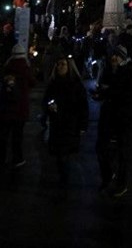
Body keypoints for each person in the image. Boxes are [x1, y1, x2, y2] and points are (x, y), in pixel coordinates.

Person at [94, 44, 132, 197]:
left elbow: (127, 94)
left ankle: (121, 182)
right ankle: (108, 176)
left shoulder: (129, 73)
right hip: (109, 116)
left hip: (123, 118)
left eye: (117, 56)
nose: (114, 58)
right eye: (113, 55)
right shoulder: (109, 70)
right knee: (102, 149)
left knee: (122, 153)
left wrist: (109, 91)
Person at [42, 55, 89, 184]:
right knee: (59, 156)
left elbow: (83, 106)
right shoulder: (53, 83)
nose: (60, 67)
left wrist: (83, 125)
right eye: (58, 64)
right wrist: (49, 107)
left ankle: (64, 182)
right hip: (57, 124)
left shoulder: (76, 85)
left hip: (70, 124)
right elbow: (46, 100)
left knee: (64, 155)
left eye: (63, 64)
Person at [0, 44, 34, 168]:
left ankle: (0, 158)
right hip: (20, 108)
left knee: (3, 135)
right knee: (17, 136)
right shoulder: (26, 68)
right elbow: (33, 82)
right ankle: (17, 158)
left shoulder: (7, 67)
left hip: (6, 107)